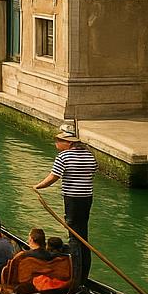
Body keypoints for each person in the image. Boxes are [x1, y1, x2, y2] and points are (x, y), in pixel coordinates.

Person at [33, 121, 98, 285]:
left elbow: (53, 177)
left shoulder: (64, 156)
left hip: (73, 200)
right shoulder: (89, 155)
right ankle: (83, 276)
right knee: (83, 236)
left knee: (74, 238)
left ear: (69, 142)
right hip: (87, 199)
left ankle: (75, 280)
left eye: (59, 140)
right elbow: (92, 171)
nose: (56, 143)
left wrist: (37, 186)